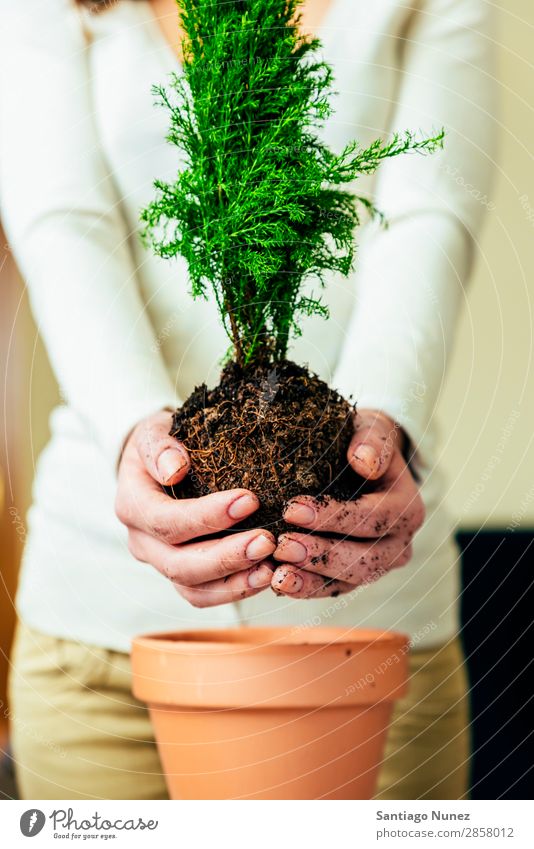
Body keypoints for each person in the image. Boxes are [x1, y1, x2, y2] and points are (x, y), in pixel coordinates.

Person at [0, 0, 497, 799]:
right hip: (101, 629)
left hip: (370, 638)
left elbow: (430, 214)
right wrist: (140, 434)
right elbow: (62, 220)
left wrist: (384, 429)